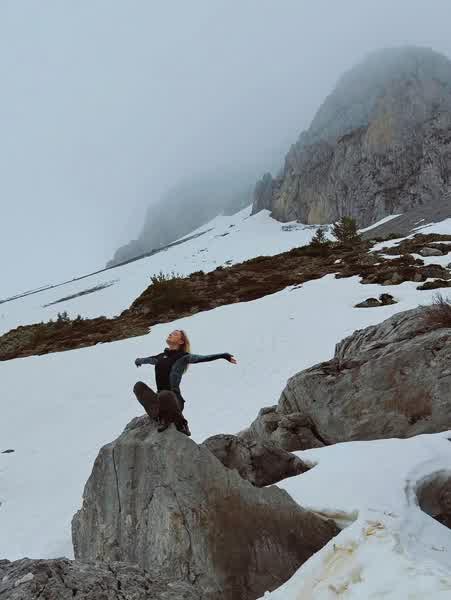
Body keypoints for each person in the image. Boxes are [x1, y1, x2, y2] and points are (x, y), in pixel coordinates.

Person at [134, 329, 237, 435]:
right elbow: (147, 360)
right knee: (138, 386)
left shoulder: (183, 357)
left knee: (165, 394)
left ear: (181, 341)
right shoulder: (160, 357)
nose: (170, 334)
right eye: (170, 333)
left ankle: (181, 424)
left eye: (174, 334)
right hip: (159, 399)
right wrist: (139, 360)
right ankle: (160, 417)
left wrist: (223, 355)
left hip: (175, 401)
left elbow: (203, 358)